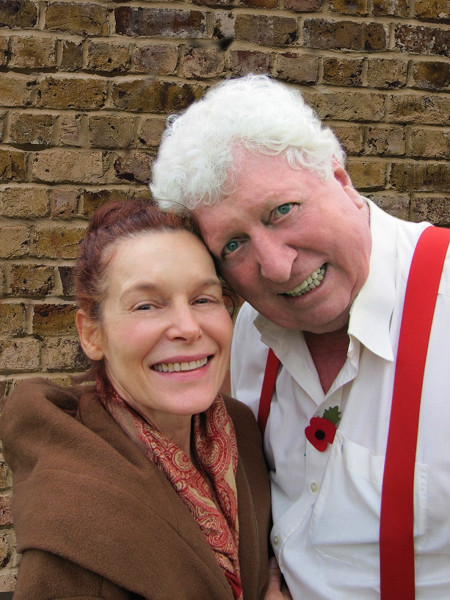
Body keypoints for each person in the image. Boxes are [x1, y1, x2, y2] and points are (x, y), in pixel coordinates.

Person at [150, 74, 450, 599]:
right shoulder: (249, 333)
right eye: (234, 245)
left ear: (340, 178)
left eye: (282, 211)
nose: (277, 267)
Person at [0, 199, 272, 599]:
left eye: (203, 299)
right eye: (146, 305)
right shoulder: (75, 536)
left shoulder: (243, 434)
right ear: (92, 334)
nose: (188, 327)